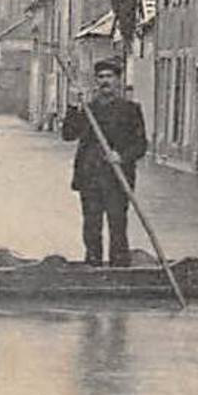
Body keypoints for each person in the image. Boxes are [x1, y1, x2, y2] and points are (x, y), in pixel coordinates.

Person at [62, 57, 148, 267]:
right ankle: (93, 265)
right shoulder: (88, 109)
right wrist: (73, 107)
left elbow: (141, 145)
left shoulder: (130, 109)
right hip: (89, 177)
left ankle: (119, 267)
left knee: (117, 224)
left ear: (118, 80)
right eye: (100, 77)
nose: (104, 81)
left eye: (109, 76)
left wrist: (122, 156)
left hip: (118, 178)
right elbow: (68, 135)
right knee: (91, 225)